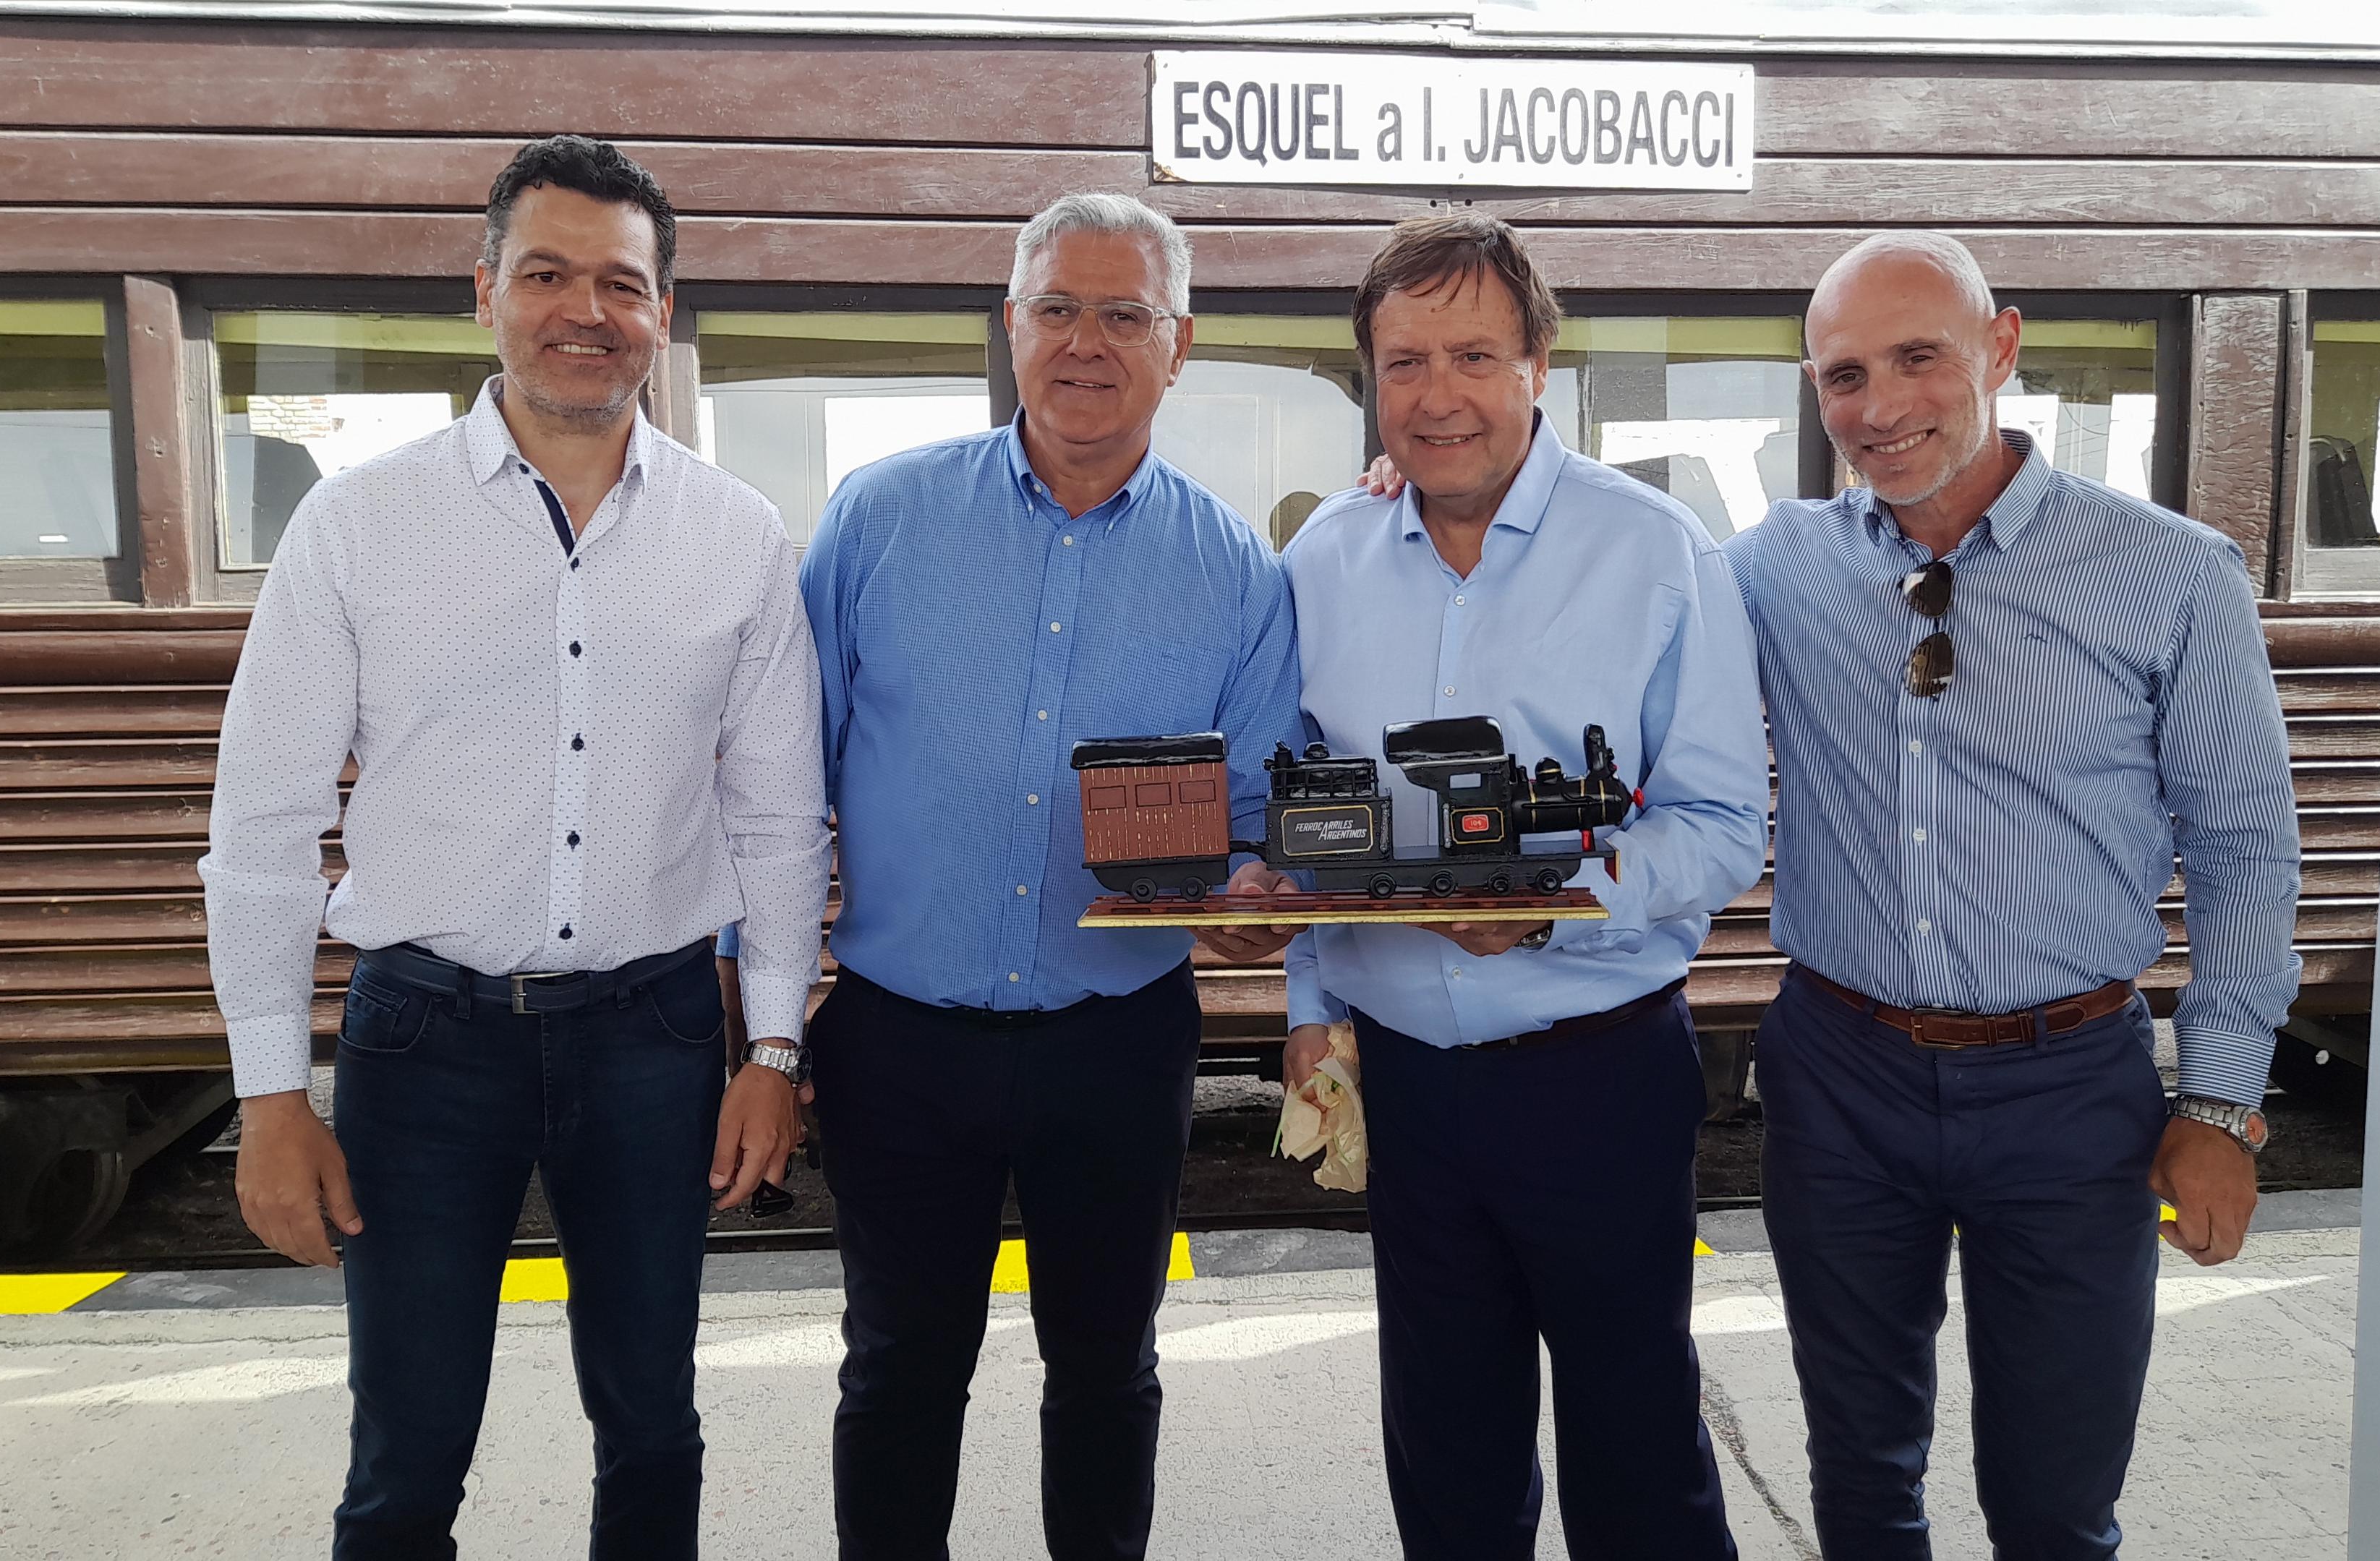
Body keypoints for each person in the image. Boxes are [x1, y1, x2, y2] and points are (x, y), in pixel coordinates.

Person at [200, 135, 830, 1560]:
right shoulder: (359, 525)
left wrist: (774, 1049)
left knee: (654, 1432)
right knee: (407, 1456)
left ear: (662, 309)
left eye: (621, 283)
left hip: (655, 1036)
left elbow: (778, 817)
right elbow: (263, 823)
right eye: (546, 274)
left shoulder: (738, 537)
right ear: (484, 292)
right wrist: (270, 1092)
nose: (584, 311)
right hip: (424, 1042)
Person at [1723, 231, 2301, 1559]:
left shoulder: (2172, 572)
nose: (1880, 407)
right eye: (1844, 376)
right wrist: (1436, 484)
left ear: (2001, 347)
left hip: (2072, 1088)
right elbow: (1609, 609)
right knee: (1860, 1475)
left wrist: (2221, 1105)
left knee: (2056, 1498)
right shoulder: (1771, 567)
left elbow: (2244, 847)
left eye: (1917, 358)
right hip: (1840, 1076)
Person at [792, 192, 1301, 1560]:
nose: (1087, 342)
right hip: (900, 1039)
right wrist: (762, 1017)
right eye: (1058, 309)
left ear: (1178, 344)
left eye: (1125, 314)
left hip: (1117, 1038)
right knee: (898, 1371)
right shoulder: (880, 517)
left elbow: (1256, 813)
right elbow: (780, 780)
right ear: (1010, 325)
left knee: (1108, 1372)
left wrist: (1254, 896)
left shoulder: (1236, 567)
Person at [1256, 210, 1766, 1560]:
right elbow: (1309, 818)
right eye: (1406, 362)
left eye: (1474, 356)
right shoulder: (1322, 560)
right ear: (1371, 378)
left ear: (1539, 361)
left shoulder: (1657, 550)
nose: (1440, 396)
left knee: (1638, 1452)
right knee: (1447, 1457)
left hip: (1598, 1074)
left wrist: (1556, 899)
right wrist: (1311, 1001)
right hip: (1405, 1085)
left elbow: (1725, 827)